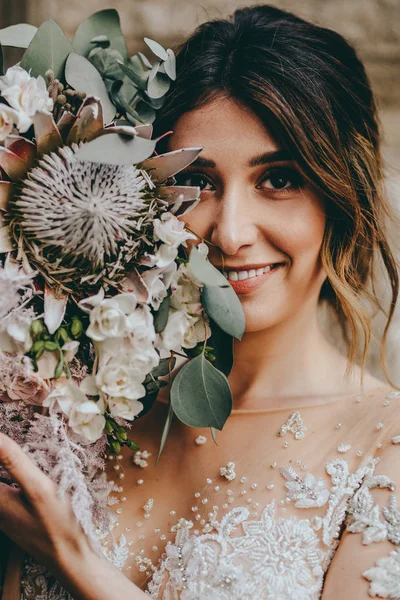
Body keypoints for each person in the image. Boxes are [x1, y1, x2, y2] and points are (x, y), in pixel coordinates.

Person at [1, 4, 400, 599]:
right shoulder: (80, 416)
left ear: (343, 199)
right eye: (201, 182)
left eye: (280, 179)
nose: (231, 233)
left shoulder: (381, 448)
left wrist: (76, 560)